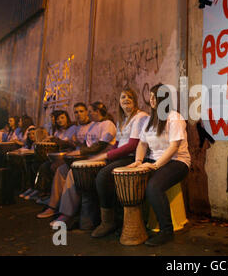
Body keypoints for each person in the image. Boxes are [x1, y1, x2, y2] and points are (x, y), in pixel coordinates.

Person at [127, 83, 190, 246]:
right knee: (127, 176)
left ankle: (166, 231)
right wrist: (138, 162)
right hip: (154, 160)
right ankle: (131, 225)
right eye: (151, 96)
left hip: (177, 162)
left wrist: (154, 166)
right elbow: (142, 144)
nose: (151, 99)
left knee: (154, 187)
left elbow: (174, 147)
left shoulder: (174, 117)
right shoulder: (149, 120)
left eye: (155, 96)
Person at [90, 87, 149, 238]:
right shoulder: (121, 120)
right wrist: (106, 155)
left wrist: (106, 156)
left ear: (135, 100)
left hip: (133, 156)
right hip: (121, 155)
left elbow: (132, 145)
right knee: (97, 172)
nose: (126, 99)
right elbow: (118, 143)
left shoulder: (140, 117)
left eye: (129, 97)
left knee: (103, 177)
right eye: (123, 97)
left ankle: (107, 222)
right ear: (119, 102)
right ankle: (107, 217)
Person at [49, 102, 116, 230]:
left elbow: (100, 146)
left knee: (72, 173)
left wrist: (80, 152)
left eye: (90, 111)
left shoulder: (108, 125)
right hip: (88, 160)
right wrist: (75, 150)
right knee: (62, 169)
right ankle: (55, 206)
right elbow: (86, 144)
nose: (88, 114)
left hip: (102, 161)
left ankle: (67, 215)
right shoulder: (92, 126)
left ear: (97, 111)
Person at [36, 102, 93, 218]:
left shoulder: (93, 126)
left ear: (87, 112)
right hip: (75, 156)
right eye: (76, 112)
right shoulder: (77, 128)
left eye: (81, 111)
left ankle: (63, 211)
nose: (78, 114)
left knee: (61, 169)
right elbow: (75, 144)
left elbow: (91, 146)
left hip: (87, 159)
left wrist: (75, 146)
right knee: (59, 169)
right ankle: (52, 206)